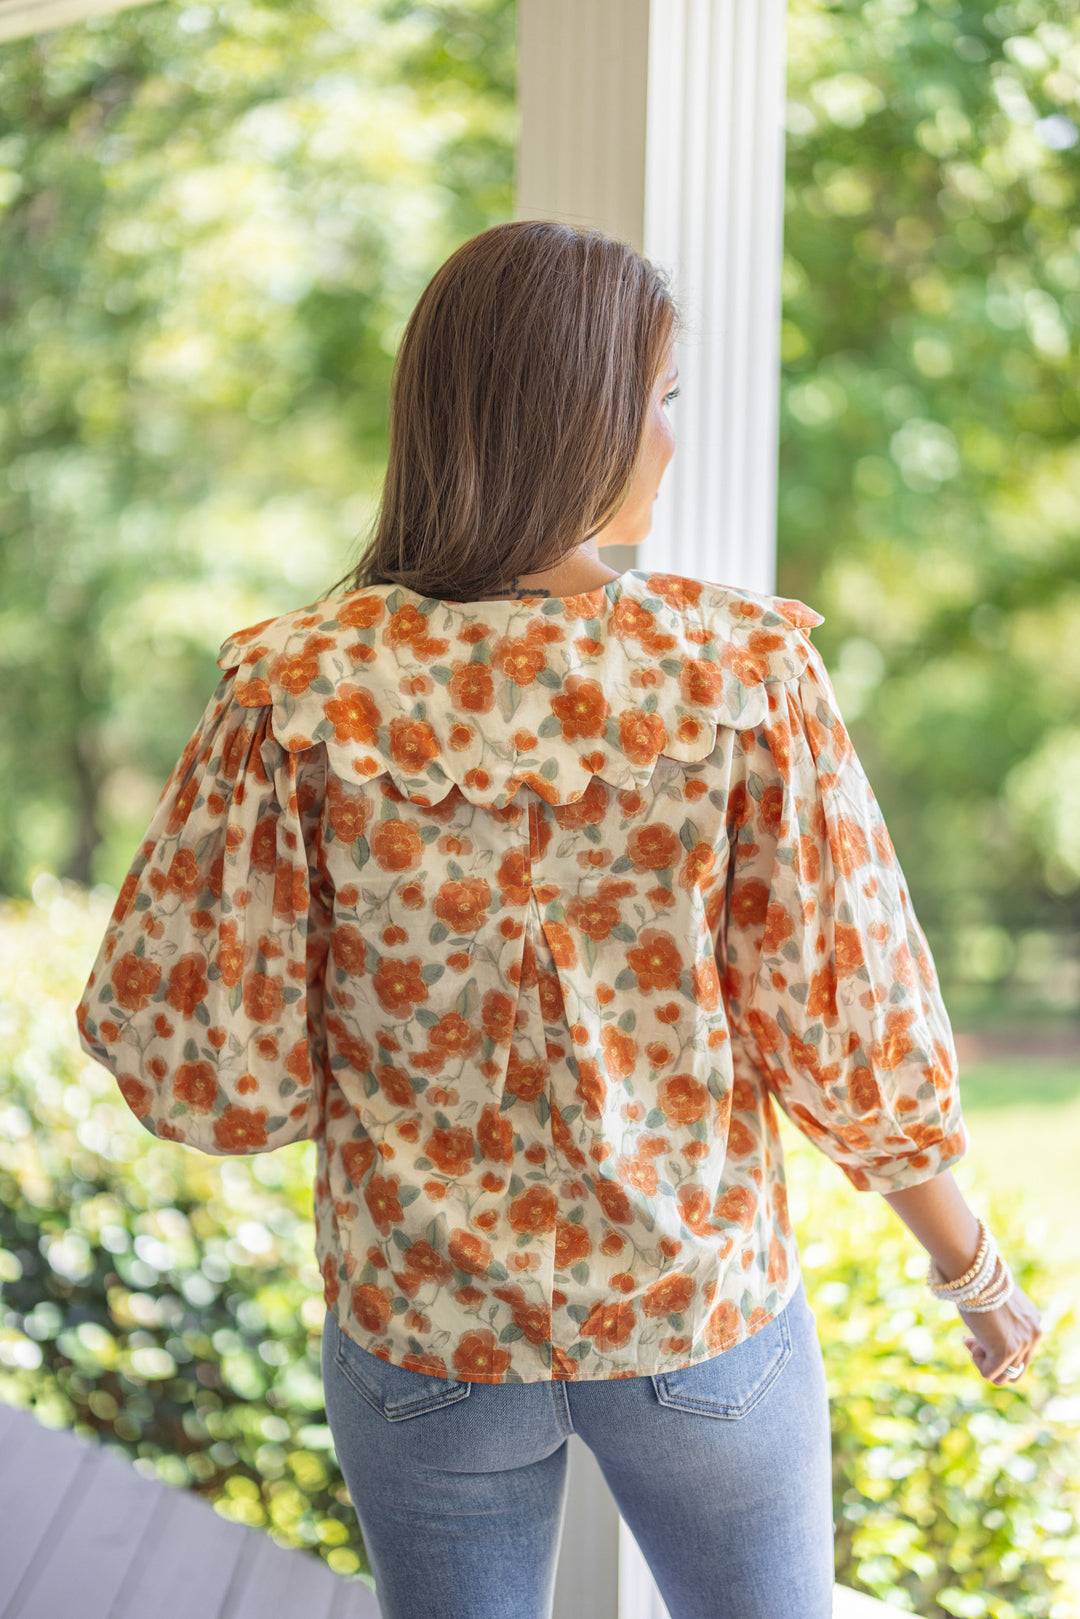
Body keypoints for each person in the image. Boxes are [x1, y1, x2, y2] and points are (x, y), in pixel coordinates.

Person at [76, 219, 1042, 1619]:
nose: (668, 441)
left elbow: (207, 1058)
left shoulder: (295, 691)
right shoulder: (738, 672)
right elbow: (843, 1016)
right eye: (655, 401)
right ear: (573, 417)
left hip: (424, 1337)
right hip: (694, 1314)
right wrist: (971, 1271)